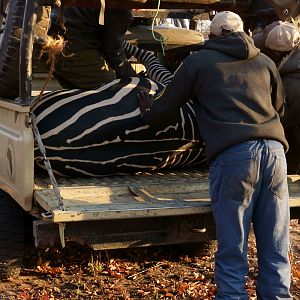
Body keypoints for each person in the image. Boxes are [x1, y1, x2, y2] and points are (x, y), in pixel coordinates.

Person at [138, 11, 292, 299]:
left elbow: (165, 110)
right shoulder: (265, 61)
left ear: (210, 35)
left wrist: (149, 111)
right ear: (244, 32)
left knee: (234, 244)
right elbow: (279, 108)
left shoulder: (197, 62)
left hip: (235, 158)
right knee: (276, 242)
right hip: (274, 154)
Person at [48, 7, 137, 89]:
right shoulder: (121, 9)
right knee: (111, 84)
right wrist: (134, 78)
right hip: (66, 47)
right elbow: (113, 52)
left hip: (49, 36)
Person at [254, 21, 300, 173]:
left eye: (265, 51)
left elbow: (277, 120)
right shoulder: (290, 71)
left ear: (276, 54)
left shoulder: (291, 86)